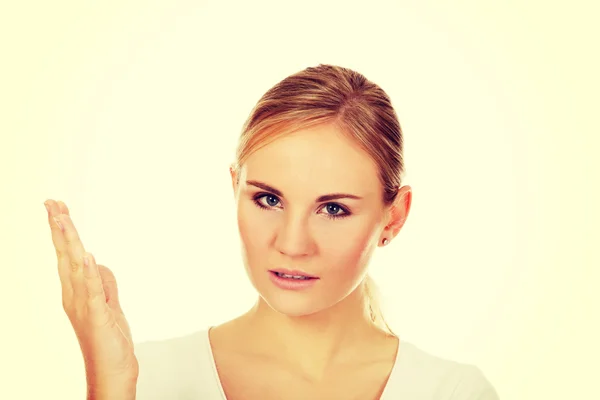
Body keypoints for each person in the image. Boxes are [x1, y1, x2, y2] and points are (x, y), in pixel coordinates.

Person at [44, 64, 499, 399]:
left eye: (334, 208)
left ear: (393, 218)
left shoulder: (452, 391)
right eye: (268, 200)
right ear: (235, 188)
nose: (291, 243)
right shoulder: (143, 379)